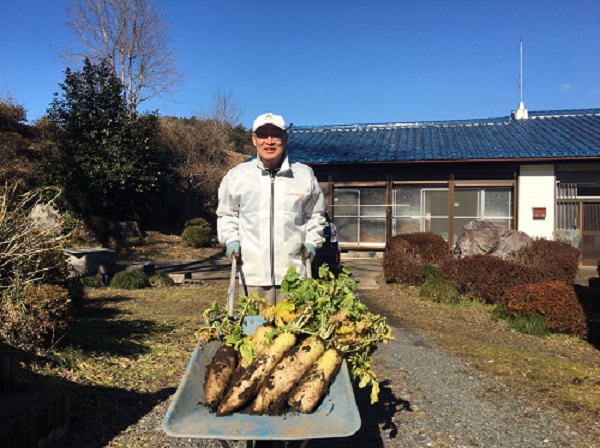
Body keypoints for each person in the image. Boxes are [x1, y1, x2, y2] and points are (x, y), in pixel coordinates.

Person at [217, 112, 327, 304]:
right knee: (253, 332)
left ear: (285, 138)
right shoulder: (237, 176)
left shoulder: (303, 175)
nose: (269, 141)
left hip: (294, 278)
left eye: (275, 135)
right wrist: (231, 240)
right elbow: (227, 214)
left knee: (294, 333)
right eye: (262, 135)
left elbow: (316, 214)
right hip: (252, 279)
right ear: (254, 139)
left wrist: (312, 242)